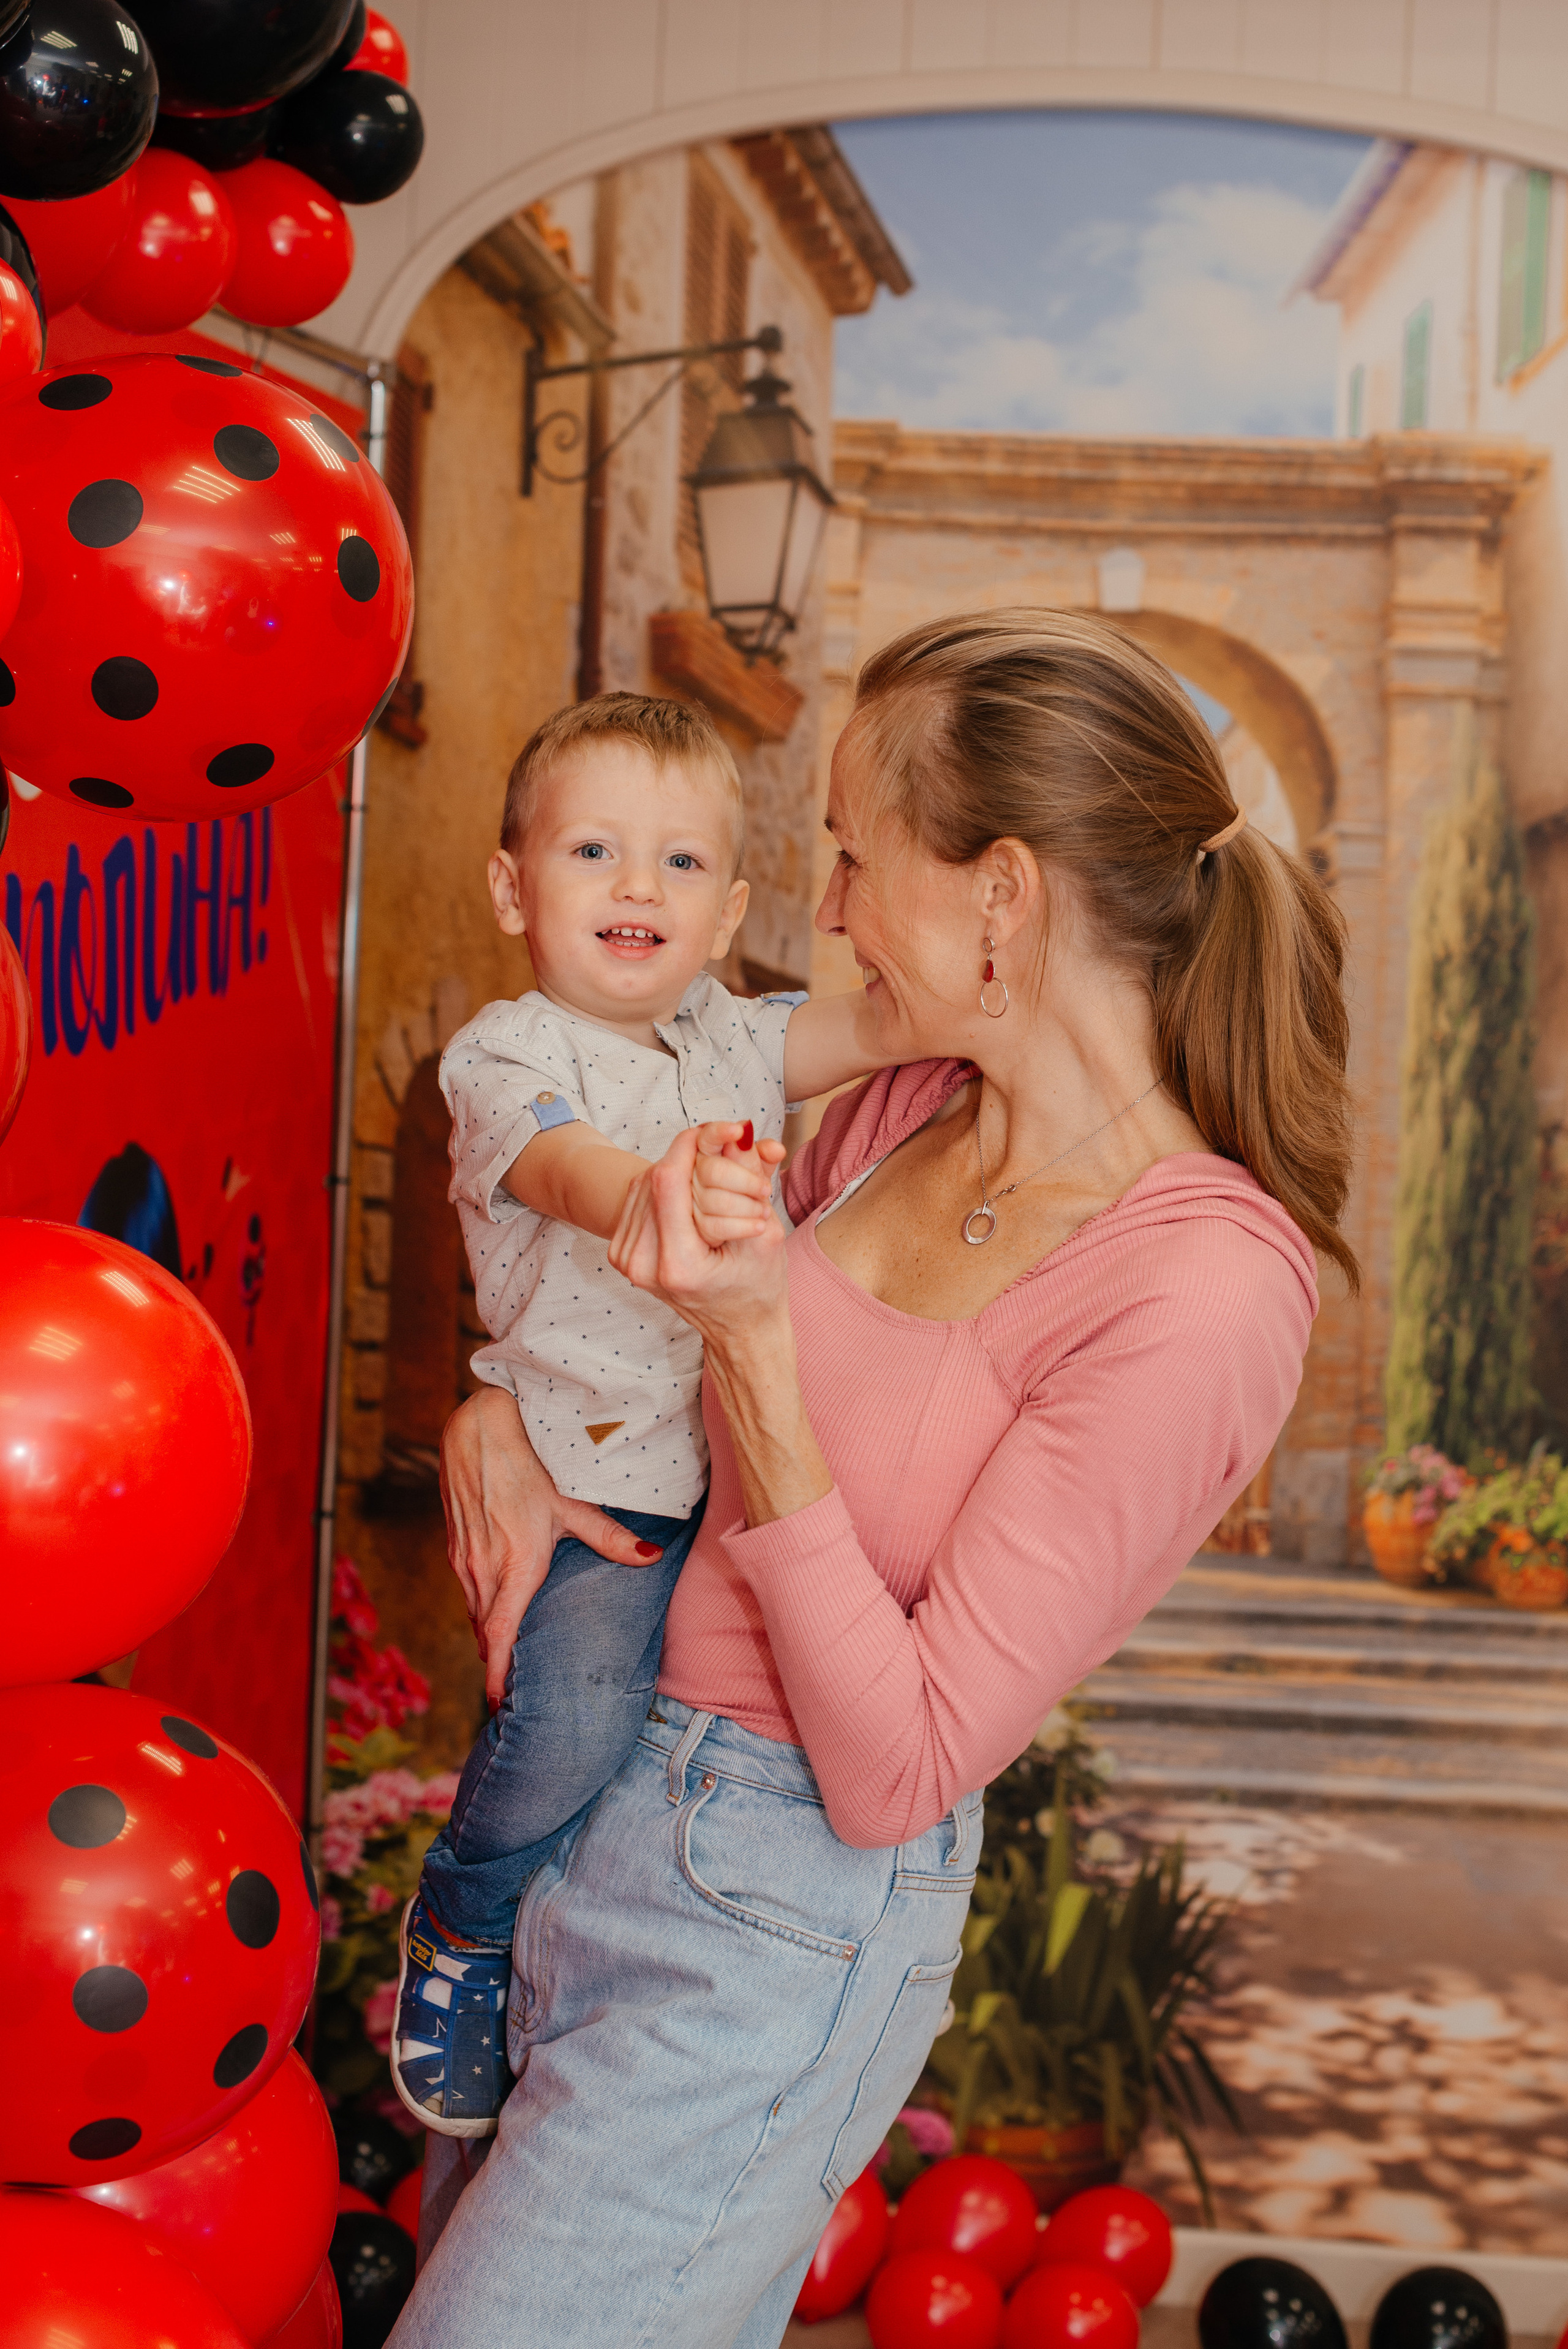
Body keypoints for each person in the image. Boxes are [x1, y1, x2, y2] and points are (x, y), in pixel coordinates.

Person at [389, 610, 1356, 2348]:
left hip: (764, 1914)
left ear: (1002, 893)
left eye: (849, 850)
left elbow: (898, 1760)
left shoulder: (1204, 1283)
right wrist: (497, 1419)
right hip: (577, 1809)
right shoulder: (896, 1098)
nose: (818, 907)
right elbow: (615, 1298)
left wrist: (759, 1352)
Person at [393, 691, 888, 2133]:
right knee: (567, 1725)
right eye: (594, 850)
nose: (635, 887)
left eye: (679, 864)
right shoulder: (504, 1054)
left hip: (733, 1480)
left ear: (729, 907)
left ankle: (565, 1973)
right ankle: (462, 1926)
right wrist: (653, 1191)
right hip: (593, 1479)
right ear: (511, 887)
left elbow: (872, 1028)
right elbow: (559, 1168)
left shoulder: (736, 1035)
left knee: (654, 1776)